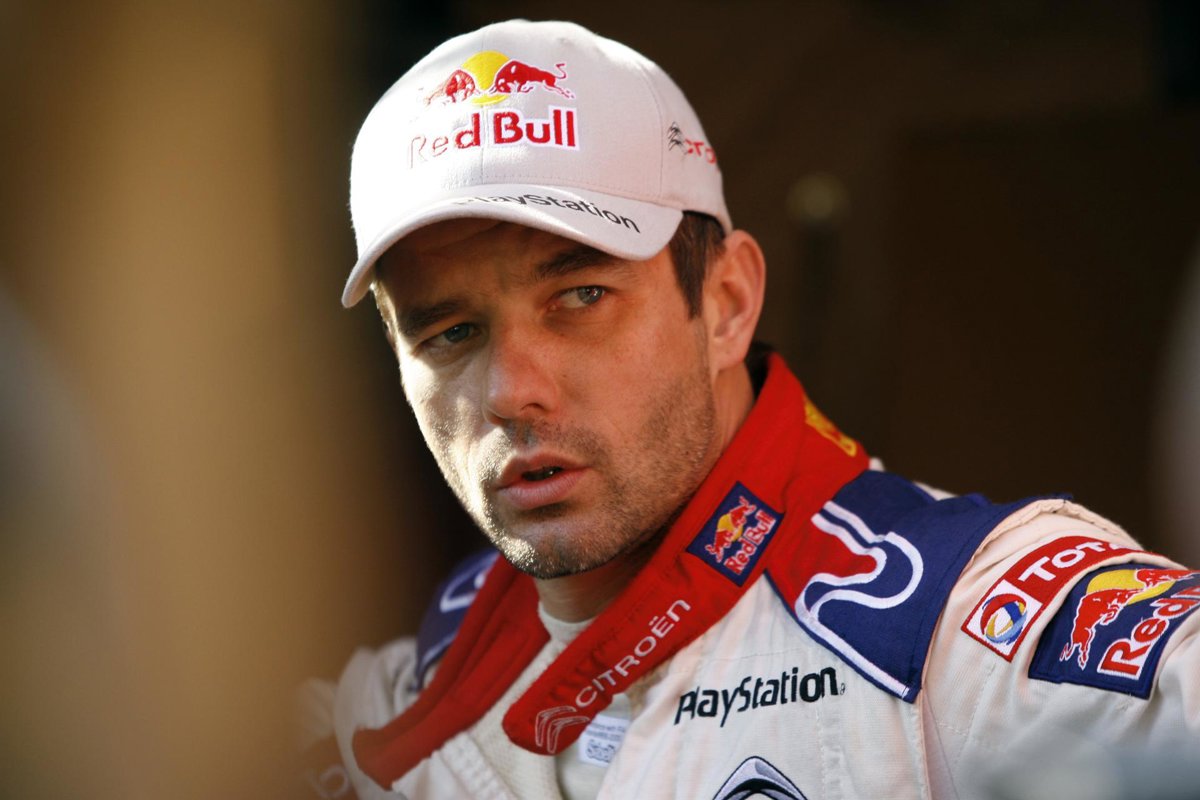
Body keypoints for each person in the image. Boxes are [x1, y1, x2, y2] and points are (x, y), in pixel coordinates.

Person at [300, 19, 1200, 800]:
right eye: (451, 333)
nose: (510, 390)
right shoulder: (403, 684)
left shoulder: (954, 623)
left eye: (580, 298)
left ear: (727, 303)